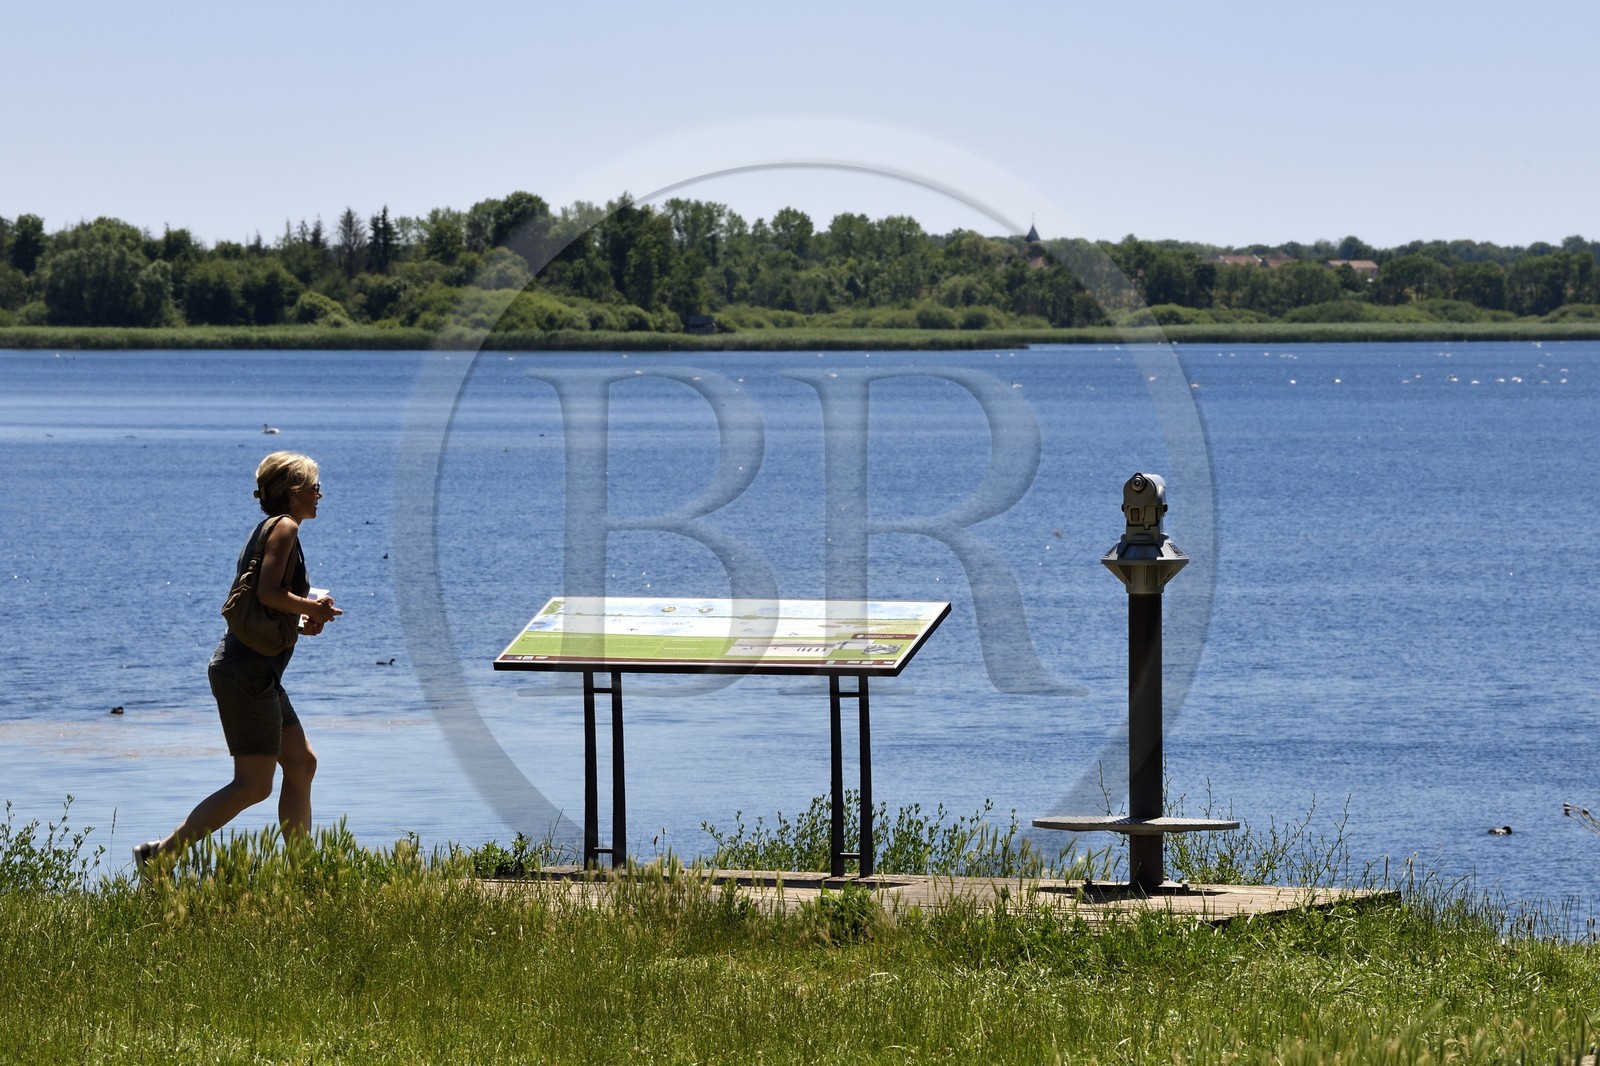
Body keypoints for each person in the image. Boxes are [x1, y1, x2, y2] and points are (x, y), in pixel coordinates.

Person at [133, 452, 342, 872]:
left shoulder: (274, 529)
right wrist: (311, 608)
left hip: (255, 670)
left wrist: (301, 621)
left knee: (301, 763)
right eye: (314, 486)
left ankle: (303, 870)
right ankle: (159, 857)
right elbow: (266, 593)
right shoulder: (283, 527)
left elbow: (261, 607)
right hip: (245, 672)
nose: (321, 493)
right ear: (293, 492)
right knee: (253, 785)